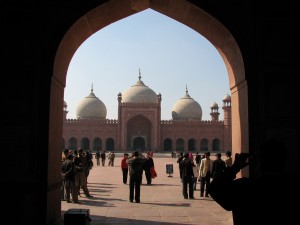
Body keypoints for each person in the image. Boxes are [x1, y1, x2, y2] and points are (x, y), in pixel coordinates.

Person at [208, 138, 299, 225]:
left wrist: (235, 167)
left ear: (258, 162)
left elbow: (214, 188)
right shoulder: (292, 186)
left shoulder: (245, 188)